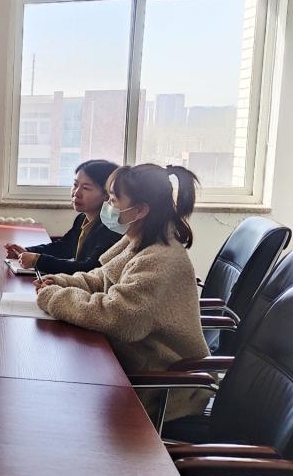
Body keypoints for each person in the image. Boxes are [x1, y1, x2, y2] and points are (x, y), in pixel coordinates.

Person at [34, 163, 210, 419]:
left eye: (113, 200)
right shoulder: (137, 240)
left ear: (140, 210)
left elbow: (118, 317)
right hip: (132, 366)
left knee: (59, 406)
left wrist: (55, 297)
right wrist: (60, 282)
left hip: (161, 389)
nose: (108, 206)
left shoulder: (160, 258)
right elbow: (101, 278)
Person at [5, 159, 120, 274]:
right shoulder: (81, 219)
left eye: (86, 188)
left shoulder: (111, 228)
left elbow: (89, 268)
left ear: (107, 195)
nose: (76, 193)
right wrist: (27, 251)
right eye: (75, 185)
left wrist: (38, 261)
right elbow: (64, 247)